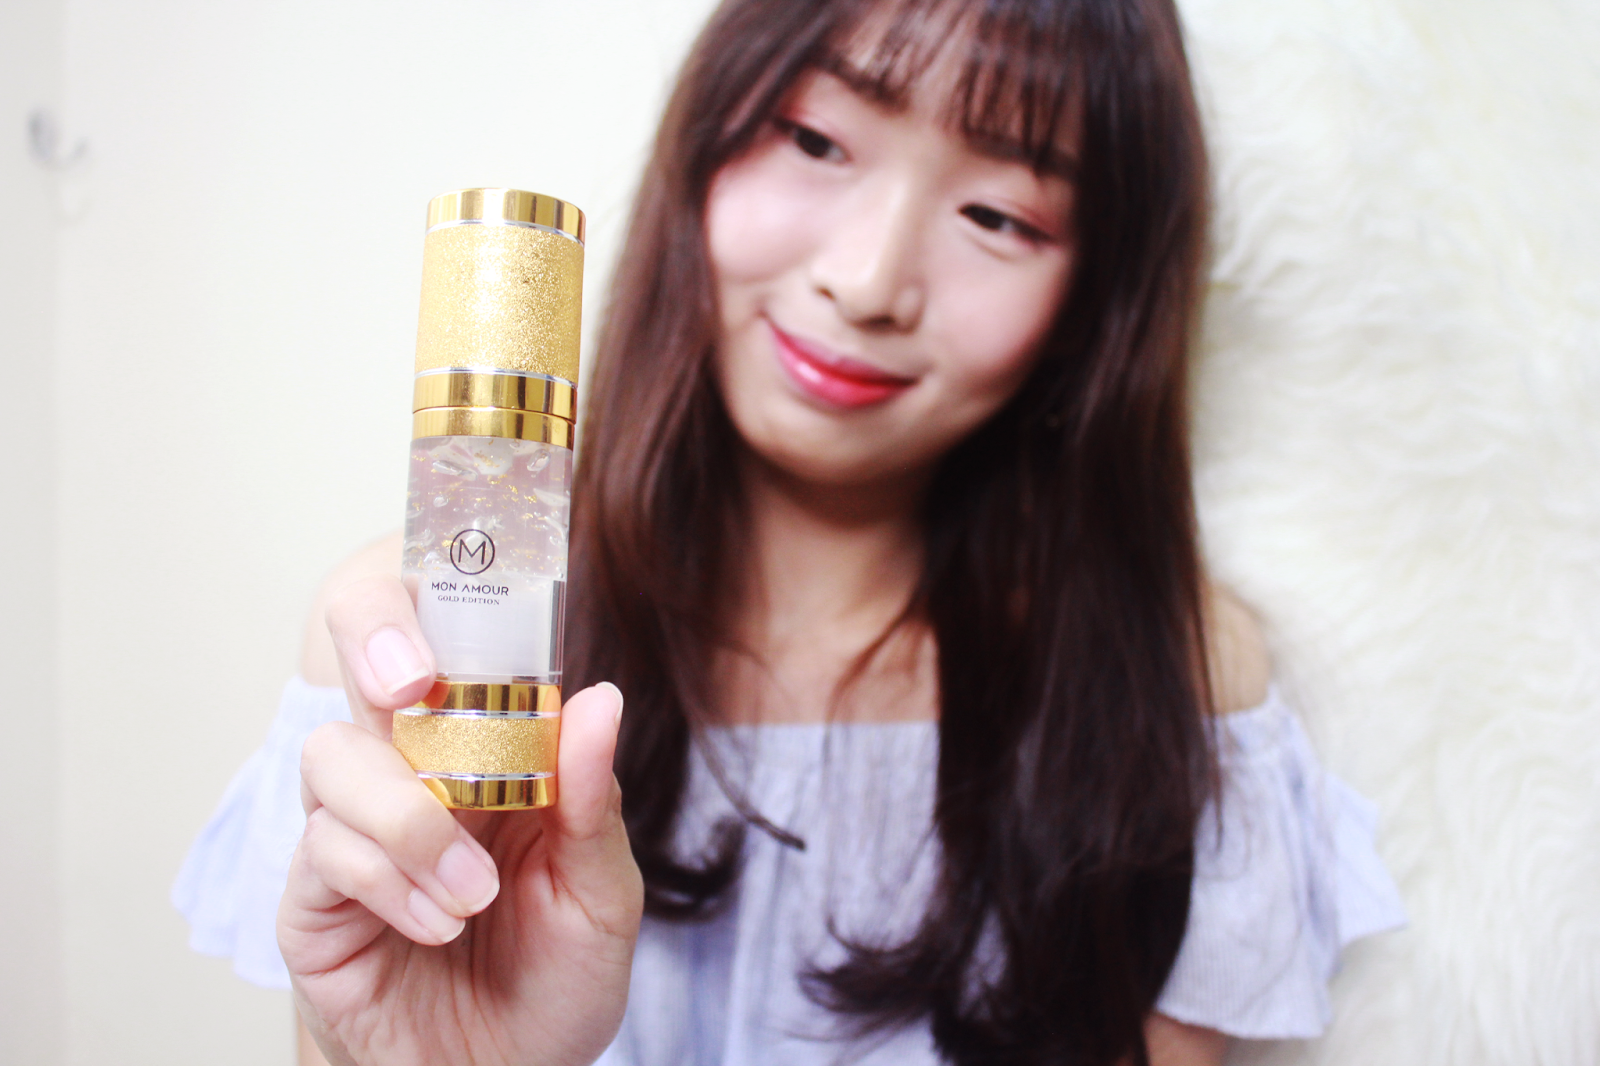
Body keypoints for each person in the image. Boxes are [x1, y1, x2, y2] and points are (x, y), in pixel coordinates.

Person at [173, 0, 1406, 1063]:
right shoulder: (423, 655)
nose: (868, 281)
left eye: (1000, 215)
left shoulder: (1173, 682)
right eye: (816, 139)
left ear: (1096, 298)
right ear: (704, 137)